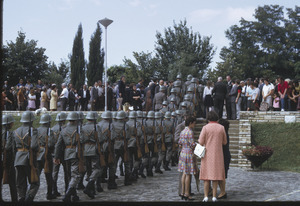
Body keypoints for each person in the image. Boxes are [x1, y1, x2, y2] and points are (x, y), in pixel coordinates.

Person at [198, 111, 227, 202]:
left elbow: (201, 142)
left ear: (208, 119)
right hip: (218, 155)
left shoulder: (205, 128)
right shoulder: (221, 128)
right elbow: (224, 142)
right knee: (215, 176)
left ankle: (206, 196)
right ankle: (214, 196)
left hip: (207, 154)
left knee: (206, 177)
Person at [54, 112, 81, 202]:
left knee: (69, 175)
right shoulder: (78, 129)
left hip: (66, 154)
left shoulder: (63, 129)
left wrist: (56, 156)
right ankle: (68, 193)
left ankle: (73, 195)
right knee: (75, 175)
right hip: (76, 153)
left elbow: (58, 144)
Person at [12, 111, 39, 202]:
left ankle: (21, 198)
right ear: (31, 121)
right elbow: (34, 145)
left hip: (18, 158)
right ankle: (29, 197)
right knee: (34, 181)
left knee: (20, 182)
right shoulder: (33, 130)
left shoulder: (16, 131)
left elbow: (13, 147)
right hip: (29, 159)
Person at [36, 114, 56, 200]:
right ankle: (49, 193)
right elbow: (51, 144)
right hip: (46, 154)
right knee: (48, 175)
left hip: (37, 153)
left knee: (36, 174)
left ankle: (31, 192)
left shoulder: (36, 130)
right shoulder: (49, 131)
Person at [178, 116, 196, 201]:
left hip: (183, 152)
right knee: (188, 174)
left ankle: (182, 192)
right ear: (190, 123)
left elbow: (180, 143)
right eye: (194, 123)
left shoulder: (182, 131)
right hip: (188, 153)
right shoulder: (190, 132)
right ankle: (187, 193)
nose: (194, 124)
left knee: (184, 173)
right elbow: (192, 144)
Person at [1, 114, 18, 202]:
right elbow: (9, 147)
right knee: (12, 183)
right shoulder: (10, 134)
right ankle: (14, 200)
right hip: (8, 160)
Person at [217, 118, 231, 199]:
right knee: (222, 175)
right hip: (225, 155)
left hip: (224, 156)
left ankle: (223, 191)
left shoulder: (224, 134)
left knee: (221, 175)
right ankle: (223, 191)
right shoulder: (225, 133)